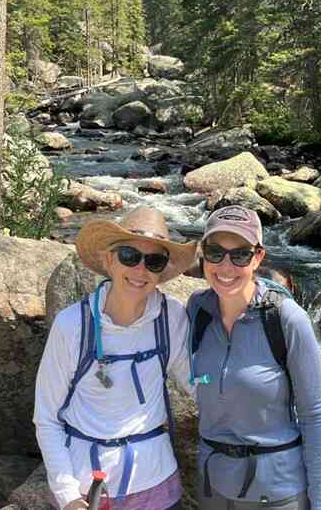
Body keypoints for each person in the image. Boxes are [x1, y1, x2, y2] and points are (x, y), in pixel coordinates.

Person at [34, 206, 197, 510]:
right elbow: (46, 417)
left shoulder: (171, 317)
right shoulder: (73, 325)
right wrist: (68, 495)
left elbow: (198, 383)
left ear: (161, 271)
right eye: (129, 256)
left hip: (158, 486)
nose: (140, 269)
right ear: (109, 260)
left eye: (154, 261)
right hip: (89, 489)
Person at [187, 205, 321, 510]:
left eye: (240, 254)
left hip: (277, 493)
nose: (225, 266)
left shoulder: (286, 319)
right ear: (202, 254)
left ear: (258, 258)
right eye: (215, 252)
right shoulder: (196, 311)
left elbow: (313, 415)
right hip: (213, 488)